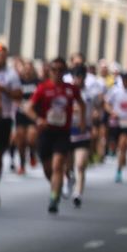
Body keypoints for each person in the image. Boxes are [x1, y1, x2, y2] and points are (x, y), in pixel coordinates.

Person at [27, 57, 81, 214]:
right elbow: (28, 107)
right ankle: (56, 186)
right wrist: (38, 119)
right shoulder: (43, 88)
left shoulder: (71, 89)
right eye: (54, 69)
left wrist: (83, 121)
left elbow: (82, 103)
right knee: (48, 169)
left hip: (62, 133)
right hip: (46, 132)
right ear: (49, 71)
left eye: (61, 70)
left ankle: (53, 197)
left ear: (65, 72)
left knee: (58, 165)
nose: (57, 73)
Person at [0, 45, 21, 207]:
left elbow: (18, 95)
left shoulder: (11, 74)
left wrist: (2, 90)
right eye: (1, 56)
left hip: (4, 118)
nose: (4, 59)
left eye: (5, 56)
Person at [66, 59, 97, 208]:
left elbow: (100, 107)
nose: (78, 80)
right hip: (67, 131)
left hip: (83, 132)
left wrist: (95, 119)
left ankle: (78, 193)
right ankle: (69, 178)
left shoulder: (90, 93)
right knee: (67, 165)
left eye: (81, 77)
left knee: (81, 164)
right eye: (75, 77)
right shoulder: (67, 92)